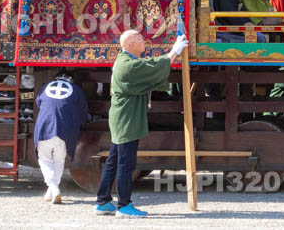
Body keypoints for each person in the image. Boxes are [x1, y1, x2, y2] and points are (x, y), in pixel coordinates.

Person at [94, 30, 187, 218]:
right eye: (140, 39)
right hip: (127, 119)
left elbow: (148, 65)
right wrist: (174, 51)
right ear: (131, 45)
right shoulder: (128, 66)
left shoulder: (125, 61)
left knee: (114, 160)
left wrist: (173, 52)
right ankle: (123, 205)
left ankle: (103, 201)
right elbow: (152, 68)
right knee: (125, 163)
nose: (144, 42)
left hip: (122, 117)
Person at [35, 70, 89, 203]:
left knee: (45, 159)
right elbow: (83, 112)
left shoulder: (46, 87)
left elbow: (38, 103)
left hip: (45, 126)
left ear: (56, 78)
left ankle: (53, 188)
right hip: (66, 129)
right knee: (59, 161)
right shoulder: (76, 89)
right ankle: (53, 189)